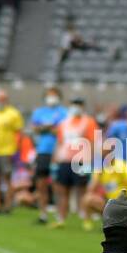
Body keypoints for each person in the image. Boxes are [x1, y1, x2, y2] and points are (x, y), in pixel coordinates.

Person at [51, 97, 98, 230]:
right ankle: (61, 218)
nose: (76, 107)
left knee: (82, 190)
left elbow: (92, 142)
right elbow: (60, 142)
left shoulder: (88, 122)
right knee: (63, 191)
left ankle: (85, 218)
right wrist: (55, 160)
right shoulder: (64, 123)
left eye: (78, 105)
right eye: (74, 104)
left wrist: (90, 160)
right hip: (65, 160)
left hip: (81, 160)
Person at [28, 87, 66, 224]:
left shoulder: (63, 112)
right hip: (42, 151)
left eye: (54, 95)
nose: (51, 98)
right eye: (49, 95)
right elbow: (35, 129)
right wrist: (48, 128)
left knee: (57, 184)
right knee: (41, 183)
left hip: (57, 151)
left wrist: (46, 128)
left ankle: (59, 214)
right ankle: (43, 213)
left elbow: (62, 131)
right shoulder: (39, 112)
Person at [0, 89, 23, 213]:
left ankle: (7, 205)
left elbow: (19, 133)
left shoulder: (13, 114)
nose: (0, 101)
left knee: (7, 179)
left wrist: (16, 150)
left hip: (7, 150)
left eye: (2, 99)